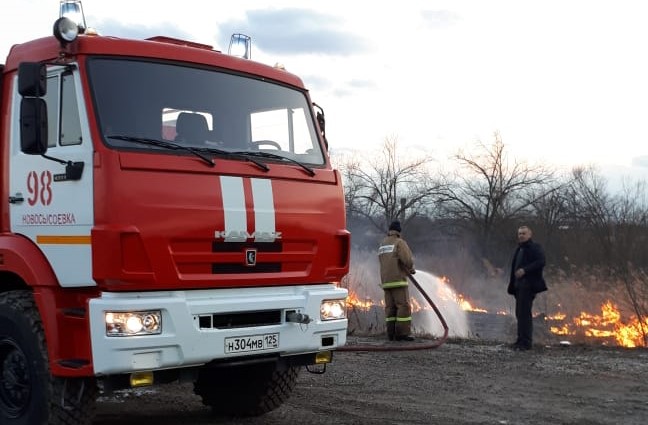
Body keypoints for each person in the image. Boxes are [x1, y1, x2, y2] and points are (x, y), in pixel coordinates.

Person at [507, 225, 548, 350]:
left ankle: (526, 343)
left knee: (525, 314)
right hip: (519, 287)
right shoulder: (519, 249)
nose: (521, 236)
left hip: (528, 285)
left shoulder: (535, 248)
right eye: (519, 233)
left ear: (530, 235)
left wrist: (525, 270)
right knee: (519, 314)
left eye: (524, 233)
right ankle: (520, 341)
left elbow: (541, 261)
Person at [378, 220, 416, 341]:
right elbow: (407, 260)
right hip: (398, 280)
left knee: (390, 308)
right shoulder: (399, 242)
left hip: (386, 282)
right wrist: (410, 268)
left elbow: (383, 261)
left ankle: (391, 334)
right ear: (399, 231)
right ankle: (402, 334)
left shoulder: (383, 243)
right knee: (403, 307)